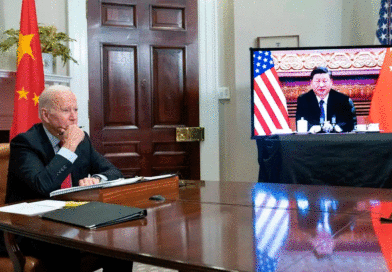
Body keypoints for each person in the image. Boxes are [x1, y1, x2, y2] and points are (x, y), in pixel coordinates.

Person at [4, 85, 130, 271]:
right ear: (46, 115)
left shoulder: (82, 139)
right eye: (66, 110)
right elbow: (43, 186)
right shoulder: (25, 143)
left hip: (72, 216)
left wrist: (96, 179)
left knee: (119, 238)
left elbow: (113, 172)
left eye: (76, 109)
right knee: (66, 243)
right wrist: (69, 147)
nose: (73, 117)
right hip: (31, 226)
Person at [295, 66, 357, 133]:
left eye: (325, 81)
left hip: (337, 140)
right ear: (311, 83)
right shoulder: (304, 100)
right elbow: (300, 122)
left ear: (331, 82)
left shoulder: (343, 99)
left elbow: (350, 123)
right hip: (312, 140)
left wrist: (335, 127)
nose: (321, 85)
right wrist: (314, 128)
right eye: (317, 81)